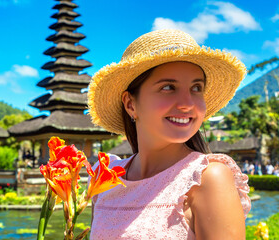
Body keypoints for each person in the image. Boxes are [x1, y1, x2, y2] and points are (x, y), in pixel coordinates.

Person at [87, 29, 251, 239]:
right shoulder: (106, 177)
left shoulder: (208, 179)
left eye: (196, 88)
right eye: (168, 87)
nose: (187, 104)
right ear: (130, 104)